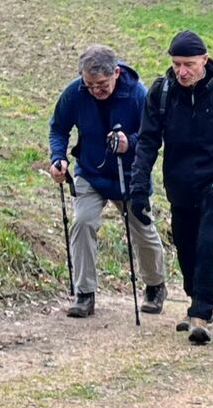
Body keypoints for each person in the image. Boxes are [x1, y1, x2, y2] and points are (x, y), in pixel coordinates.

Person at [128, 29, 213, 344]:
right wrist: (138, 186)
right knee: (186, 247)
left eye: (189, 64)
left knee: (207, 243)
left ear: (205, 60)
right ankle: (195, 299)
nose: (182, 71)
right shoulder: (162, 93)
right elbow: (147, 142)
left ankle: (200, 312)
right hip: (180, 184)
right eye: (176, 64)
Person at [48, 44, 168, 318]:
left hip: (131, 174)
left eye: (101, 85)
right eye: (89, 85)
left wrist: (130, 143)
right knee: (83, 222)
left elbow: (152, 135)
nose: (95, 90)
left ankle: (155, 285)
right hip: (90, 172)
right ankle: (84, 293)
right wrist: (58, 158)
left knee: (143, 230)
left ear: (116, 73)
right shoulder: (75, 92)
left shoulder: (137, 94)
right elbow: (58, 128)